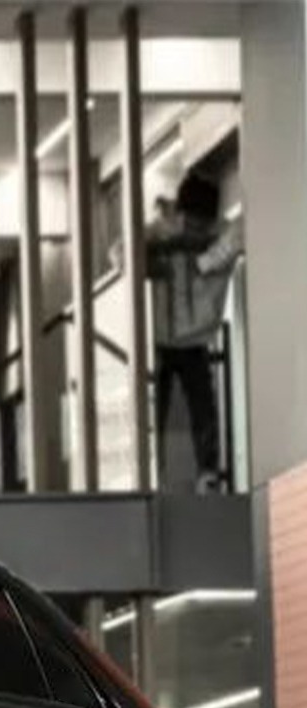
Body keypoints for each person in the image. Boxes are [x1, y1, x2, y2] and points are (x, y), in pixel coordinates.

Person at [145, 174, 242, 493]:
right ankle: (149, 472)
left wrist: (203, 261)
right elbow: (119, 253)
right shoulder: (161, 231)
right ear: (181, 214)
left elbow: (240, 233)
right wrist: (154, 258)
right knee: (153, 410)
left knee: (204, 407)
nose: (194, 231)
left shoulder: (220, 233)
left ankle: (208, 473)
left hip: (195, 339)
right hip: (158, 340)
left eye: (202, 225)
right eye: (190, 223)